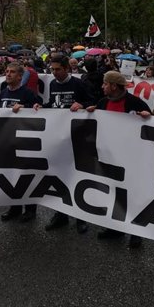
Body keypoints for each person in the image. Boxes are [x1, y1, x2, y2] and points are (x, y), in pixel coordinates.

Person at [86, 71, 151, 249]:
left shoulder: (135, 103)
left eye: (105, 84)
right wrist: (89, 112)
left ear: (114, 86)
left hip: (131, 159)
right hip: (109, 157)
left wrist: (147, 117)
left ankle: (136, 233)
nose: (102, 86)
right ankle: (115, 228)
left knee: (132, 196)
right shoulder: (102, 103)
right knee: (113, 194)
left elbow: (151, 126)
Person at [34, 56, 93, 234]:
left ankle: (80, 217)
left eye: (58, 69)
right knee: (58, 177)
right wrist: (41, 106)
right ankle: (60, 215)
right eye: (52, 70)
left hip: (76, 138)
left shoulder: (78, 84)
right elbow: (53, 104)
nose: (55, 73)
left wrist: (82, 104)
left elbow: (94, 102)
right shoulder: (52, 85)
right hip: (59, 138)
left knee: (75, 177)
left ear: (67, 68)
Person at [0, 62, 43, 222]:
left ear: (20, 76)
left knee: (26, 177)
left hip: (24, 143)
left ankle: (30, 209)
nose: (8, 74)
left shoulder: (27, 93)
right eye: (7, 71)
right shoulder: (2, 93)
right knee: (11, 177)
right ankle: (14, 208)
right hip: (6, 142)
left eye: (12, 72)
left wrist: (25, 107)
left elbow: (38, 109)